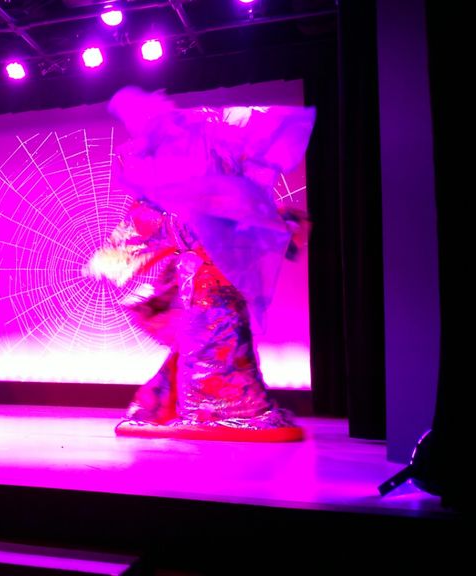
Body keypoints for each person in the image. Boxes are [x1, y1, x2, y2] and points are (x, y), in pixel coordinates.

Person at [86, 87, 315, 441]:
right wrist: (114, 256)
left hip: (218, 278)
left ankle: (220, 410)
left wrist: (276, 224)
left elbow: (237, 212)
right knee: (203, 340)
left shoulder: (212, 181)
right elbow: (149, 223)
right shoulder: (174, 193)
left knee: (218, 339)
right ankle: (202, 408)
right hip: (198, 280)